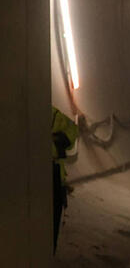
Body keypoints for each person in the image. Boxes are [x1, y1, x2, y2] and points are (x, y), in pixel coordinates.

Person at [52, 106, 78, 253]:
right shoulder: (53, 115)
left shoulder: (54, 115)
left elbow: (73, 129)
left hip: (53, 175)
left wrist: (60, 140)